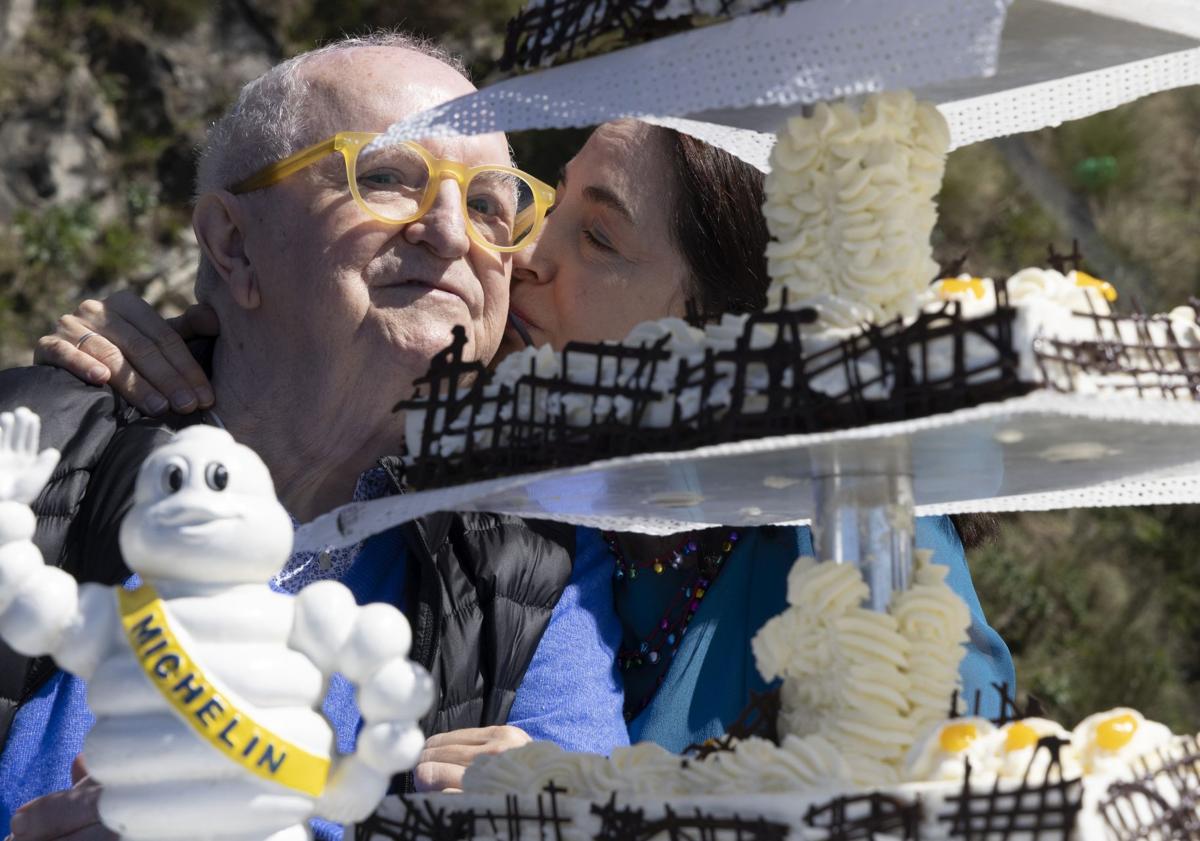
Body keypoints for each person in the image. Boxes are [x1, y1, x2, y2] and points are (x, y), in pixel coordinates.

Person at [43, 120, 1014, 756]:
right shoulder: (511, 438)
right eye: (550, 204)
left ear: (720, 328)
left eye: (599, 239)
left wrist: (589, 809)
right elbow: (313, 352)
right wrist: (180, 337)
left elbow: (944, 790)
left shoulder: (857, 545)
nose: (526, 258)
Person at [0, 33, 626, 841]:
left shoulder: (531, 549)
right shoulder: (32, 457)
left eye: (487, 205)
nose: (449, 232)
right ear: (232, 244)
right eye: (388, 178)